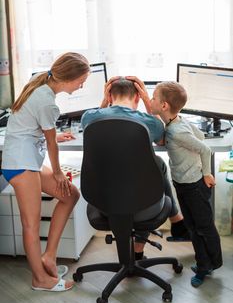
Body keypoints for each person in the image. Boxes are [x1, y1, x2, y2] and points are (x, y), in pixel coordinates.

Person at [1, 52, 90, 292]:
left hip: (26, 156)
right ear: (69, 78)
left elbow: (32, 127)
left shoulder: (42, 86)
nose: (82, 85)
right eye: (82, 80)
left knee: (70, 195)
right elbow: (51, 144)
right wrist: (59, 173)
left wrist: (55, 134)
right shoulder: (47, 101)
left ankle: (49, 256)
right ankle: (39, 279)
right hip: (21, 163)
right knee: (30, 224)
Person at [81, 77, 189, 260]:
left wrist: (104, 101)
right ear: (137, 98)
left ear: (109, 96)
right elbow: (162, 140)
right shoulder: (149, 122)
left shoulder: (89, 118)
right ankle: (163, 231)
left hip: (104, 204)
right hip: (144, 205)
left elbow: (93, 119)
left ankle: (176, 222)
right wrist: (148, 101)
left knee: (155, 166)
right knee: (154, 169)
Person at [149, 81, 223, 287]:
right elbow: (199, 135)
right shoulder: (176, 123)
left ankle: (209, 265)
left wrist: (207, 174)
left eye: (153, 98)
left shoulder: (176, 131)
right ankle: (204, 263)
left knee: (203, 227)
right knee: (192, 226)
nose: (150, 101)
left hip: (194, 186)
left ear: (164, 106)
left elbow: (205, 149)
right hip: (183, 183)